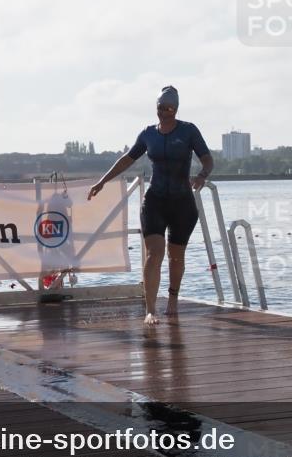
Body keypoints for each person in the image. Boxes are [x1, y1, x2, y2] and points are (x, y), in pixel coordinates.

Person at [87, 86, 213, 326]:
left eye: (169, 108)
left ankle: (173, 300)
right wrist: (103, 181)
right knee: (155, 254)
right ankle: (151, 309)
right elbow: (126, 159)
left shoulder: (189, 131)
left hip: (182, 203)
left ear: (175, 109)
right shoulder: (148, 134)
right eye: (160, 108)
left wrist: (202, 174)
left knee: (176, 257)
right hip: (155, 201)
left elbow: (207, 158)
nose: (164, 113)